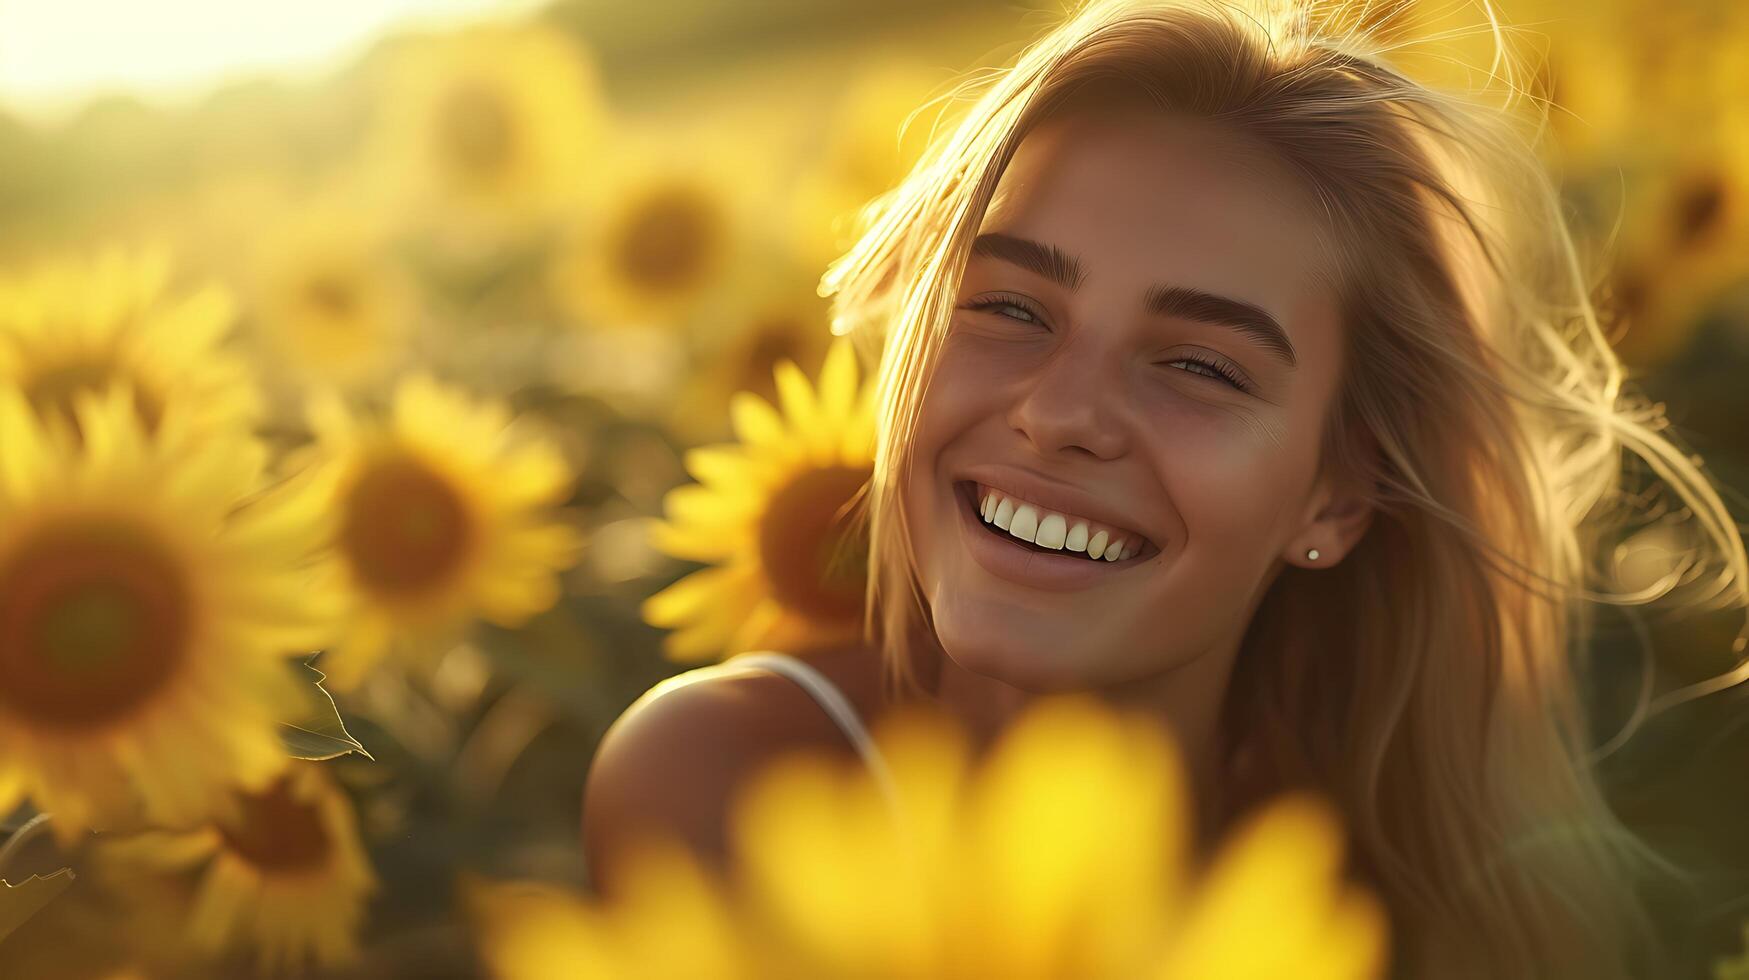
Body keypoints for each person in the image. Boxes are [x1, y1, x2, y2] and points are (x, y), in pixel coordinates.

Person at [583, 2, 1749, 978]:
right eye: (1009, 307)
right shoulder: (736, 789)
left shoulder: (1382, 892)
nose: (1059, 412)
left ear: (1336, 499)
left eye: (1198, 364)